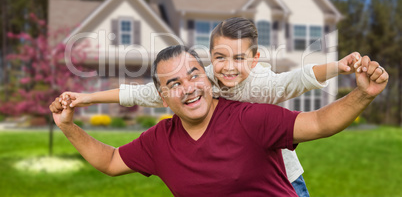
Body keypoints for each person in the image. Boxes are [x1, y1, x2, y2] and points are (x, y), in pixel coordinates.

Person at [60, 17, 361, 196]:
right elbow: (136, 94)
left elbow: (302, 81)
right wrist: (85, 99)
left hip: (282, 169)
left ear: (254, 60)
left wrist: (340, 67)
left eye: (239, 59)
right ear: (210, 58)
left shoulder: (261, 87)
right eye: (220, 58)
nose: (229, 68)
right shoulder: (202, 83)